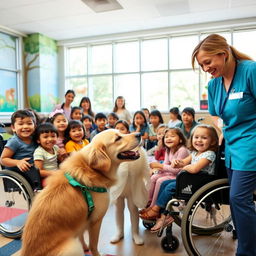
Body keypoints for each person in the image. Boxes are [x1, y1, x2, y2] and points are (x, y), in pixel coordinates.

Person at [192, 33, 256, 256]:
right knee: (234, 198)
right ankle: (246, 240)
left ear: (224, 53)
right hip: (230, 146)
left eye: (207, 62)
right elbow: (217, 116)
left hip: (252, 143)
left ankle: (248, 251)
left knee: (239, 197)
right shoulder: (214, 85)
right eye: (201, 65)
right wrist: (220, 131)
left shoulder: (250, 71)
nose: (205, 68)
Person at [140, 124, 218, 232]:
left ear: (213, 141)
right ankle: (160, 212)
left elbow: (195, 169)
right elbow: (183, 162)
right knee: (164, 184)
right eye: (196, 137)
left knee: (170, 187)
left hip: (199, 183)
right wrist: (177, 162)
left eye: (204, 138)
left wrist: (184, 167)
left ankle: (156, 210)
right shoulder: (195, 153)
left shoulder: (209, 154)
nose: (199, 140)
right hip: (190, 180)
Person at [139, 127, 189, 218]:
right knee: (154, 177)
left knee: (160, 180)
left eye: (172, 136)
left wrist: (160, 166)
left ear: (180, 139)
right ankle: (149, 203)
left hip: (180, 175)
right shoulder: (168, 149)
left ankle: (154, 207)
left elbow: (177, 170)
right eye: (166, 137)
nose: (168, 138)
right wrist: (156, 170)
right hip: (171, 173)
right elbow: (166, 164)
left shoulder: (182, 150)